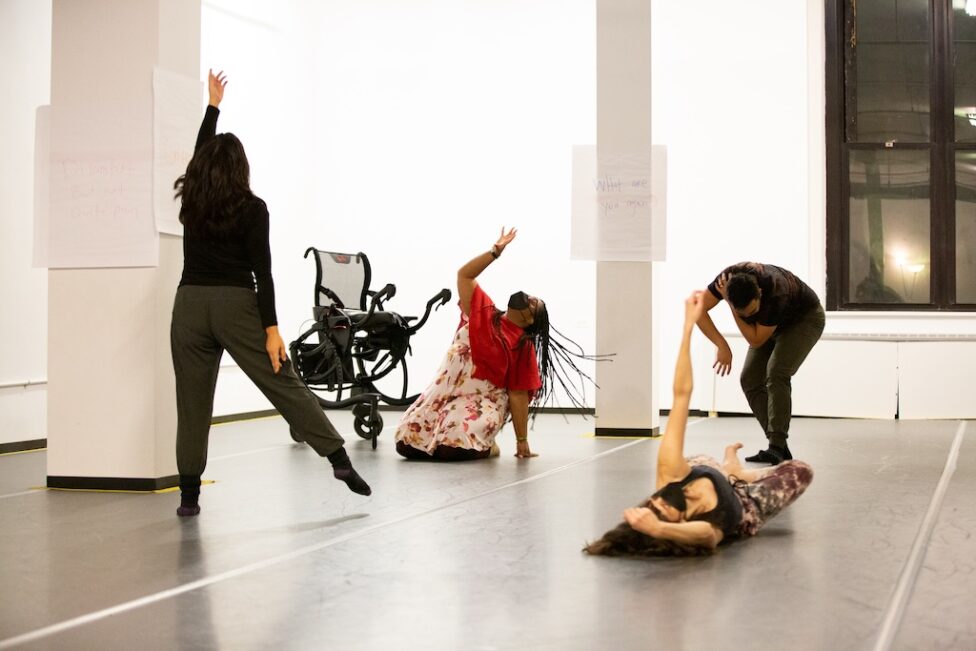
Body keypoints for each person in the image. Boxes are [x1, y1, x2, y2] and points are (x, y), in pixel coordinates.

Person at [170, 70, 370, 516]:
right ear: (241, 169)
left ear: (201, 168)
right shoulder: (252, 208)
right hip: (234, 305)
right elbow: (264, 273)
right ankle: (338, 460)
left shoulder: (193, 201)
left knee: (192, 404)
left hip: (188, 306)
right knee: (283, 385)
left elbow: (202, 150)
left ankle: (188, 497)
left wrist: (213, 107)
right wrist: (272, 330)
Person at [584, 292, 814, 557]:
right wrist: (657, 529)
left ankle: (730, 472)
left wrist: (687, 328)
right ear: (676, 523)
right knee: (800, 470)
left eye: (651, 503)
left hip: (705, 469)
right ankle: (739, 476)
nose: (658, 501)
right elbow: (707, 538)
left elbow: (681, 394)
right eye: (660, 511)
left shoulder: (669, 477)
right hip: (746, 504)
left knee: (699, 461)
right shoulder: (703, 526)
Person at [394, 228, 599, 461]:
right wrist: (495, 252)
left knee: (453, 449)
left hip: (481, 402)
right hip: (443, 394)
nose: (529, 298)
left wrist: (522, 442)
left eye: (534, 304)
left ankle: (489, 447)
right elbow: (464, 275)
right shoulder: (484, 312)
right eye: (532, 297)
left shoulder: (522, 344)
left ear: (530, 321)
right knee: (406, 444)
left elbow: (519, 394)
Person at [696, 262, 825, 464]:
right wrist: (721, 345)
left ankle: (776, 445)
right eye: (744, 314)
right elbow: (699, 309)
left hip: (804, 320)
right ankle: (780, 449)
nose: (749, 316)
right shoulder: (727, 279)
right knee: (750, 378)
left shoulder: (776, 291)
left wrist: (730, 304)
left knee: (777, 372)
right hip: (769, 325)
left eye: (752, 311)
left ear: (760, 293)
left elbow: (755, 340)